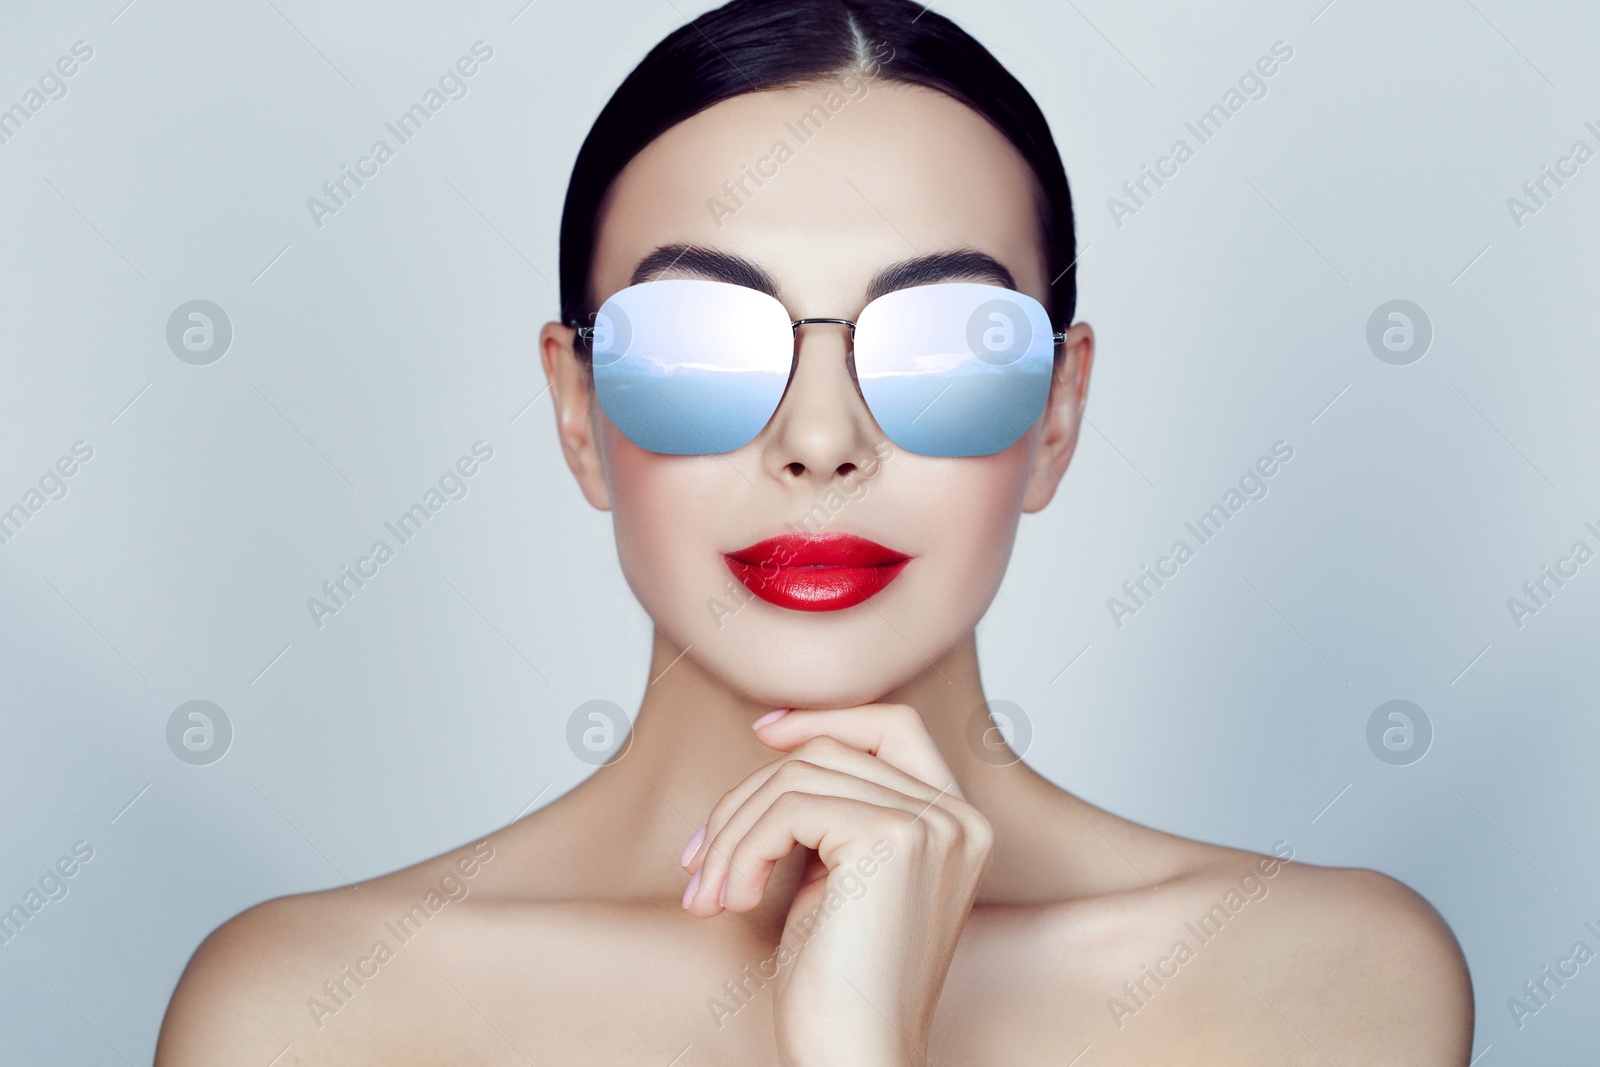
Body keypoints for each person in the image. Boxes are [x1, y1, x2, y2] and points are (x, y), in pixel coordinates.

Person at [155, 1, 1473, 1062]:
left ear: (1059, 415)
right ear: (579, 409)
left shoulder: (1320, 984)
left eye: (948, 343)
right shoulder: (308, 1012)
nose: (822, 436)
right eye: (699, 344)